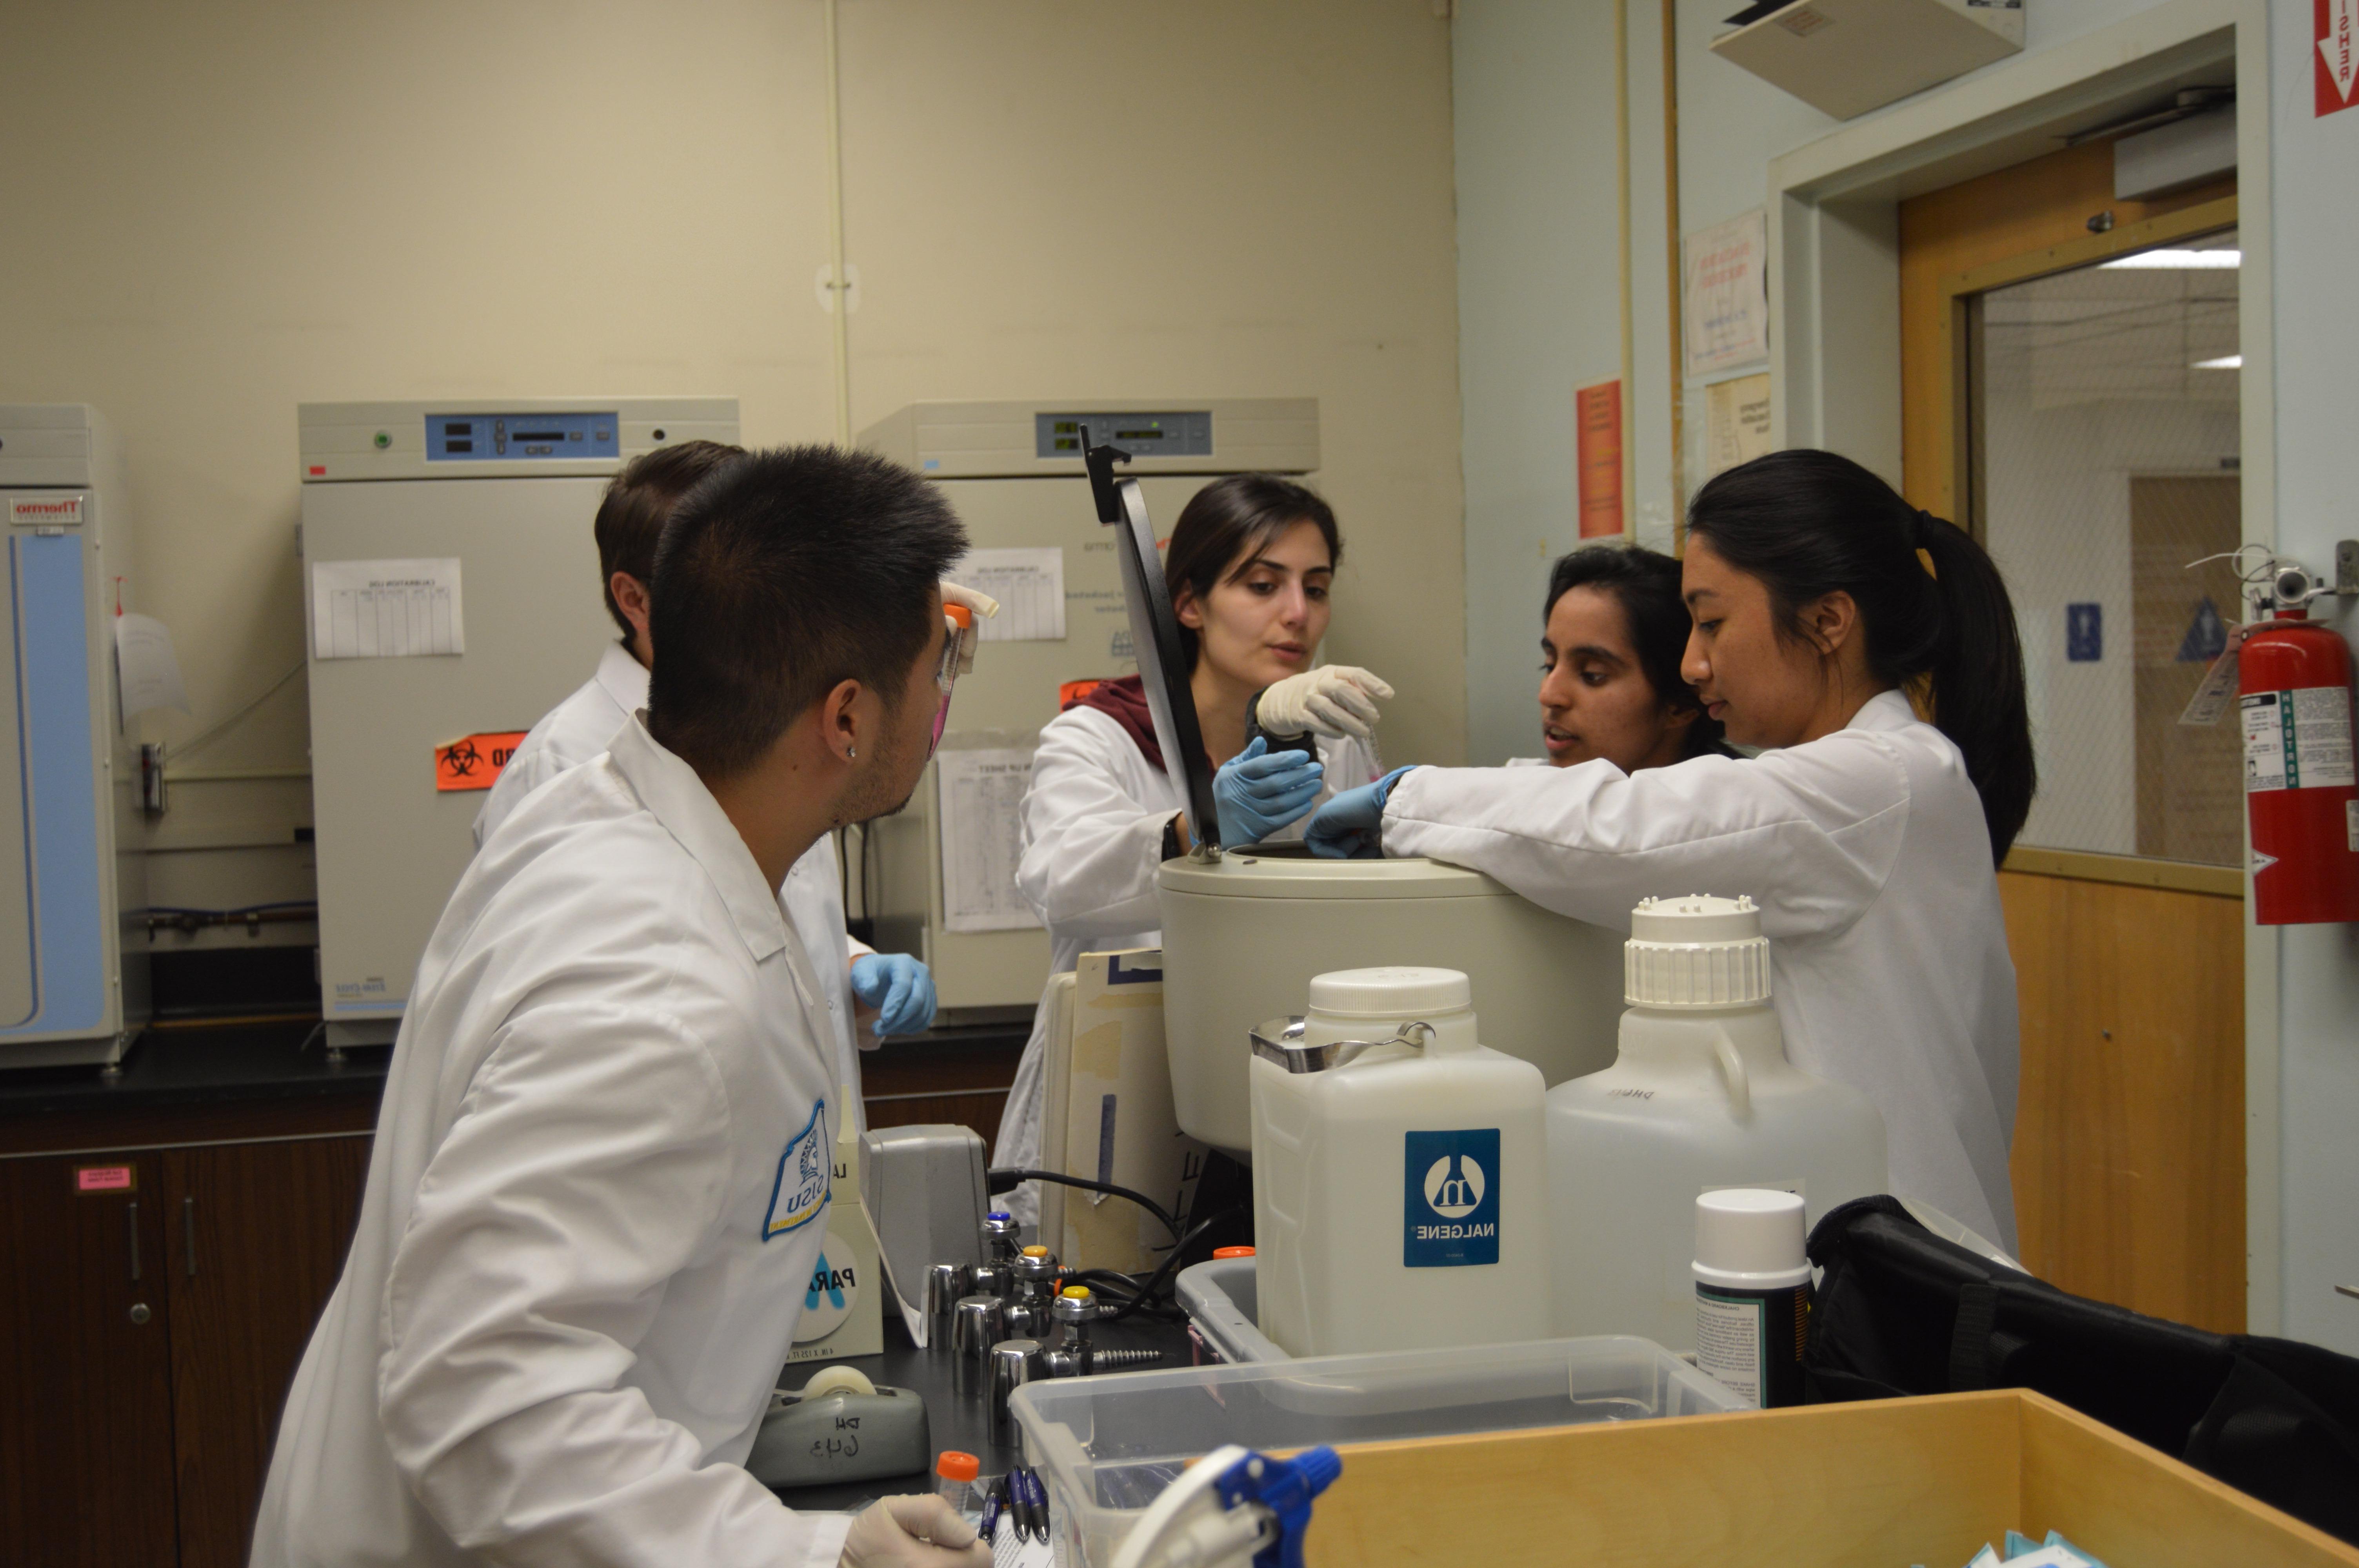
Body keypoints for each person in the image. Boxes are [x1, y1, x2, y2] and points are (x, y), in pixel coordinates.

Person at [251, 446, 988, 1568]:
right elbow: (487, 1401)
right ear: (845, 717)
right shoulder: (655, 995)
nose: (944, 697)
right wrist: (802, 1559)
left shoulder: (626, 814)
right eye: (942, 666)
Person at [1307, 449, 2034, 1249]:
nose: (1693, 662)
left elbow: (1624, 830)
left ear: (1828, 620)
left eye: (1712, 621)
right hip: (1870, 1254)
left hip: (1900, 1279)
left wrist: (1399, 797)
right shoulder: (1876, 776)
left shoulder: (1873, 782)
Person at [471, 441, 975, 1112]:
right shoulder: (562, 766)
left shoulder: (779, 736)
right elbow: (567, 1044)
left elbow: (767, 915)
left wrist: (848, 967)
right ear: (636, 597)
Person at [993, 475, 1392, 1221]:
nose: (1297, 614)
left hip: (1279, 1085)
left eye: (1316, 586)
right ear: (1187, 604)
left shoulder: (1332, 743)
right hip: (1122, 1091)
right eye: (1262, 585)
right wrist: (1194, 833)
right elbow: (1060, 880)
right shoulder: (1099, 736)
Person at [1532, 544, 1725, 770]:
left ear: (1681, 706)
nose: (1548, 696)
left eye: (1592, 675)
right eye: (1550, 665)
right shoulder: (1521, 789)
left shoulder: (1736, 801)